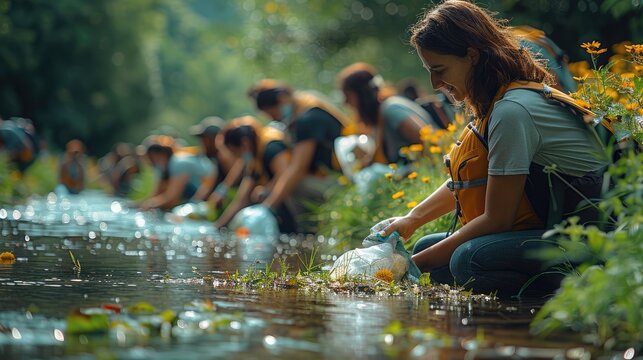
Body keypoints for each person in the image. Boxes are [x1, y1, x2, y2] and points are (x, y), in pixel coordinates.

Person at [379, 0, 609, 297]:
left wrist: (405, 266)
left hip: (590, 237)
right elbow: (470, 179)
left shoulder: (512, 111)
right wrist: (413, 219)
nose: (435, 83)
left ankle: (570, 293)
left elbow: (497, 219)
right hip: (546, 230)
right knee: (428, 248)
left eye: (440, 69)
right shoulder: (497, 102)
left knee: (467, 259)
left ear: (472, 56)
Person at [247, 79, 352, 233]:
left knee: (293, 184)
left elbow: (298, 169)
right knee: (284, 186)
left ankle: (309, 232)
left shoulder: (307, 120)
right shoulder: (308, 109)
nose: (275, 120)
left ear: (282, 99)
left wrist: (268, 208)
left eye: (273, 114)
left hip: (345, 184)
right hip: (338, 179)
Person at [337, 63, 440, 164]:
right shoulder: (379, 117)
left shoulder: (391, 109)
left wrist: (405, 173)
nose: (345, 102)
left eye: (348, 96)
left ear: (362, 94)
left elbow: (431, 141)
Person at [213, 116, 294, 232]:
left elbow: (286, 175)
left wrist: (266, 190)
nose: (238, 158)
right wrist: (219, 226)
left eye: (236, 152)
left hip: (299, 189)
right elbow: (242, 199)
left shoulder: (271, 147)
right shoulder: (254, 158)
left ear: (244, 143)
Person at [139, 135, 216, 211]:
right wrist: (141, 204)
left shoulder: (178, 163)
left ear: (161, 155)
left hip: (209, 192)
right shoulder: (165, 167)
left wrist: (150, 205)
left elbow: (172, 197)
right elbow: (156, 194)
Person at [188, 116, 237, 202]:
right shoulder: (217, 160)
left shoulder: (225, 158)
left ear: (213, 138)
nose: (202, 144)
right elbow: (208, 187)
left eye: (204, 139)